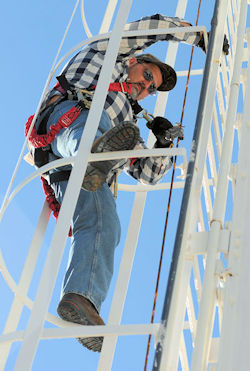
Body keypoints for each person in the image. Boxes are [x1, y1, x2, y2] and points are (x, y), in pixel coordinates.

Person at [30, 13, 229, 352]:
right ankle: (96, 154)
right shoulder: (102, 59)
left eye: (152, 89)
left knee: (106, 221)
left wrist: (163, 143)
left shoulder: (128, 125)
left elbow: (149, 173)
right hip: (67, 132)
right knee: (95, 127)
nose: (147, 87)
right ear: (133, 62)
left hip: (86, 173)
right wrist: (194, 36)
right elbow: (147, 28)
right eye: (148, 76)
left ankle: (81, 298)